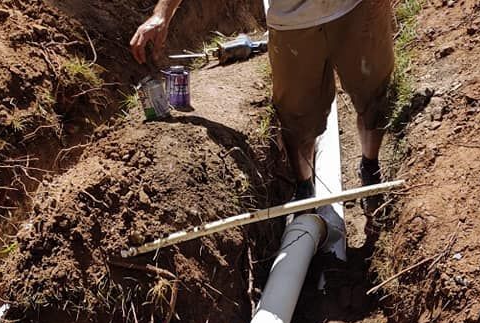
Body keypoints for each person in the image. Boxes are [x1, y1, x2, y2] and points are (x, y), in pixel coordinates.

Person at [130, 0, 395, 201]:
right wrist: (161, 14)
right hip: (292, 20)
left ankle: (370, 167)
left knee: (373, 94)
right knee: (295, 116)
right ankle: (305, 193)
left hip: (357, 8)